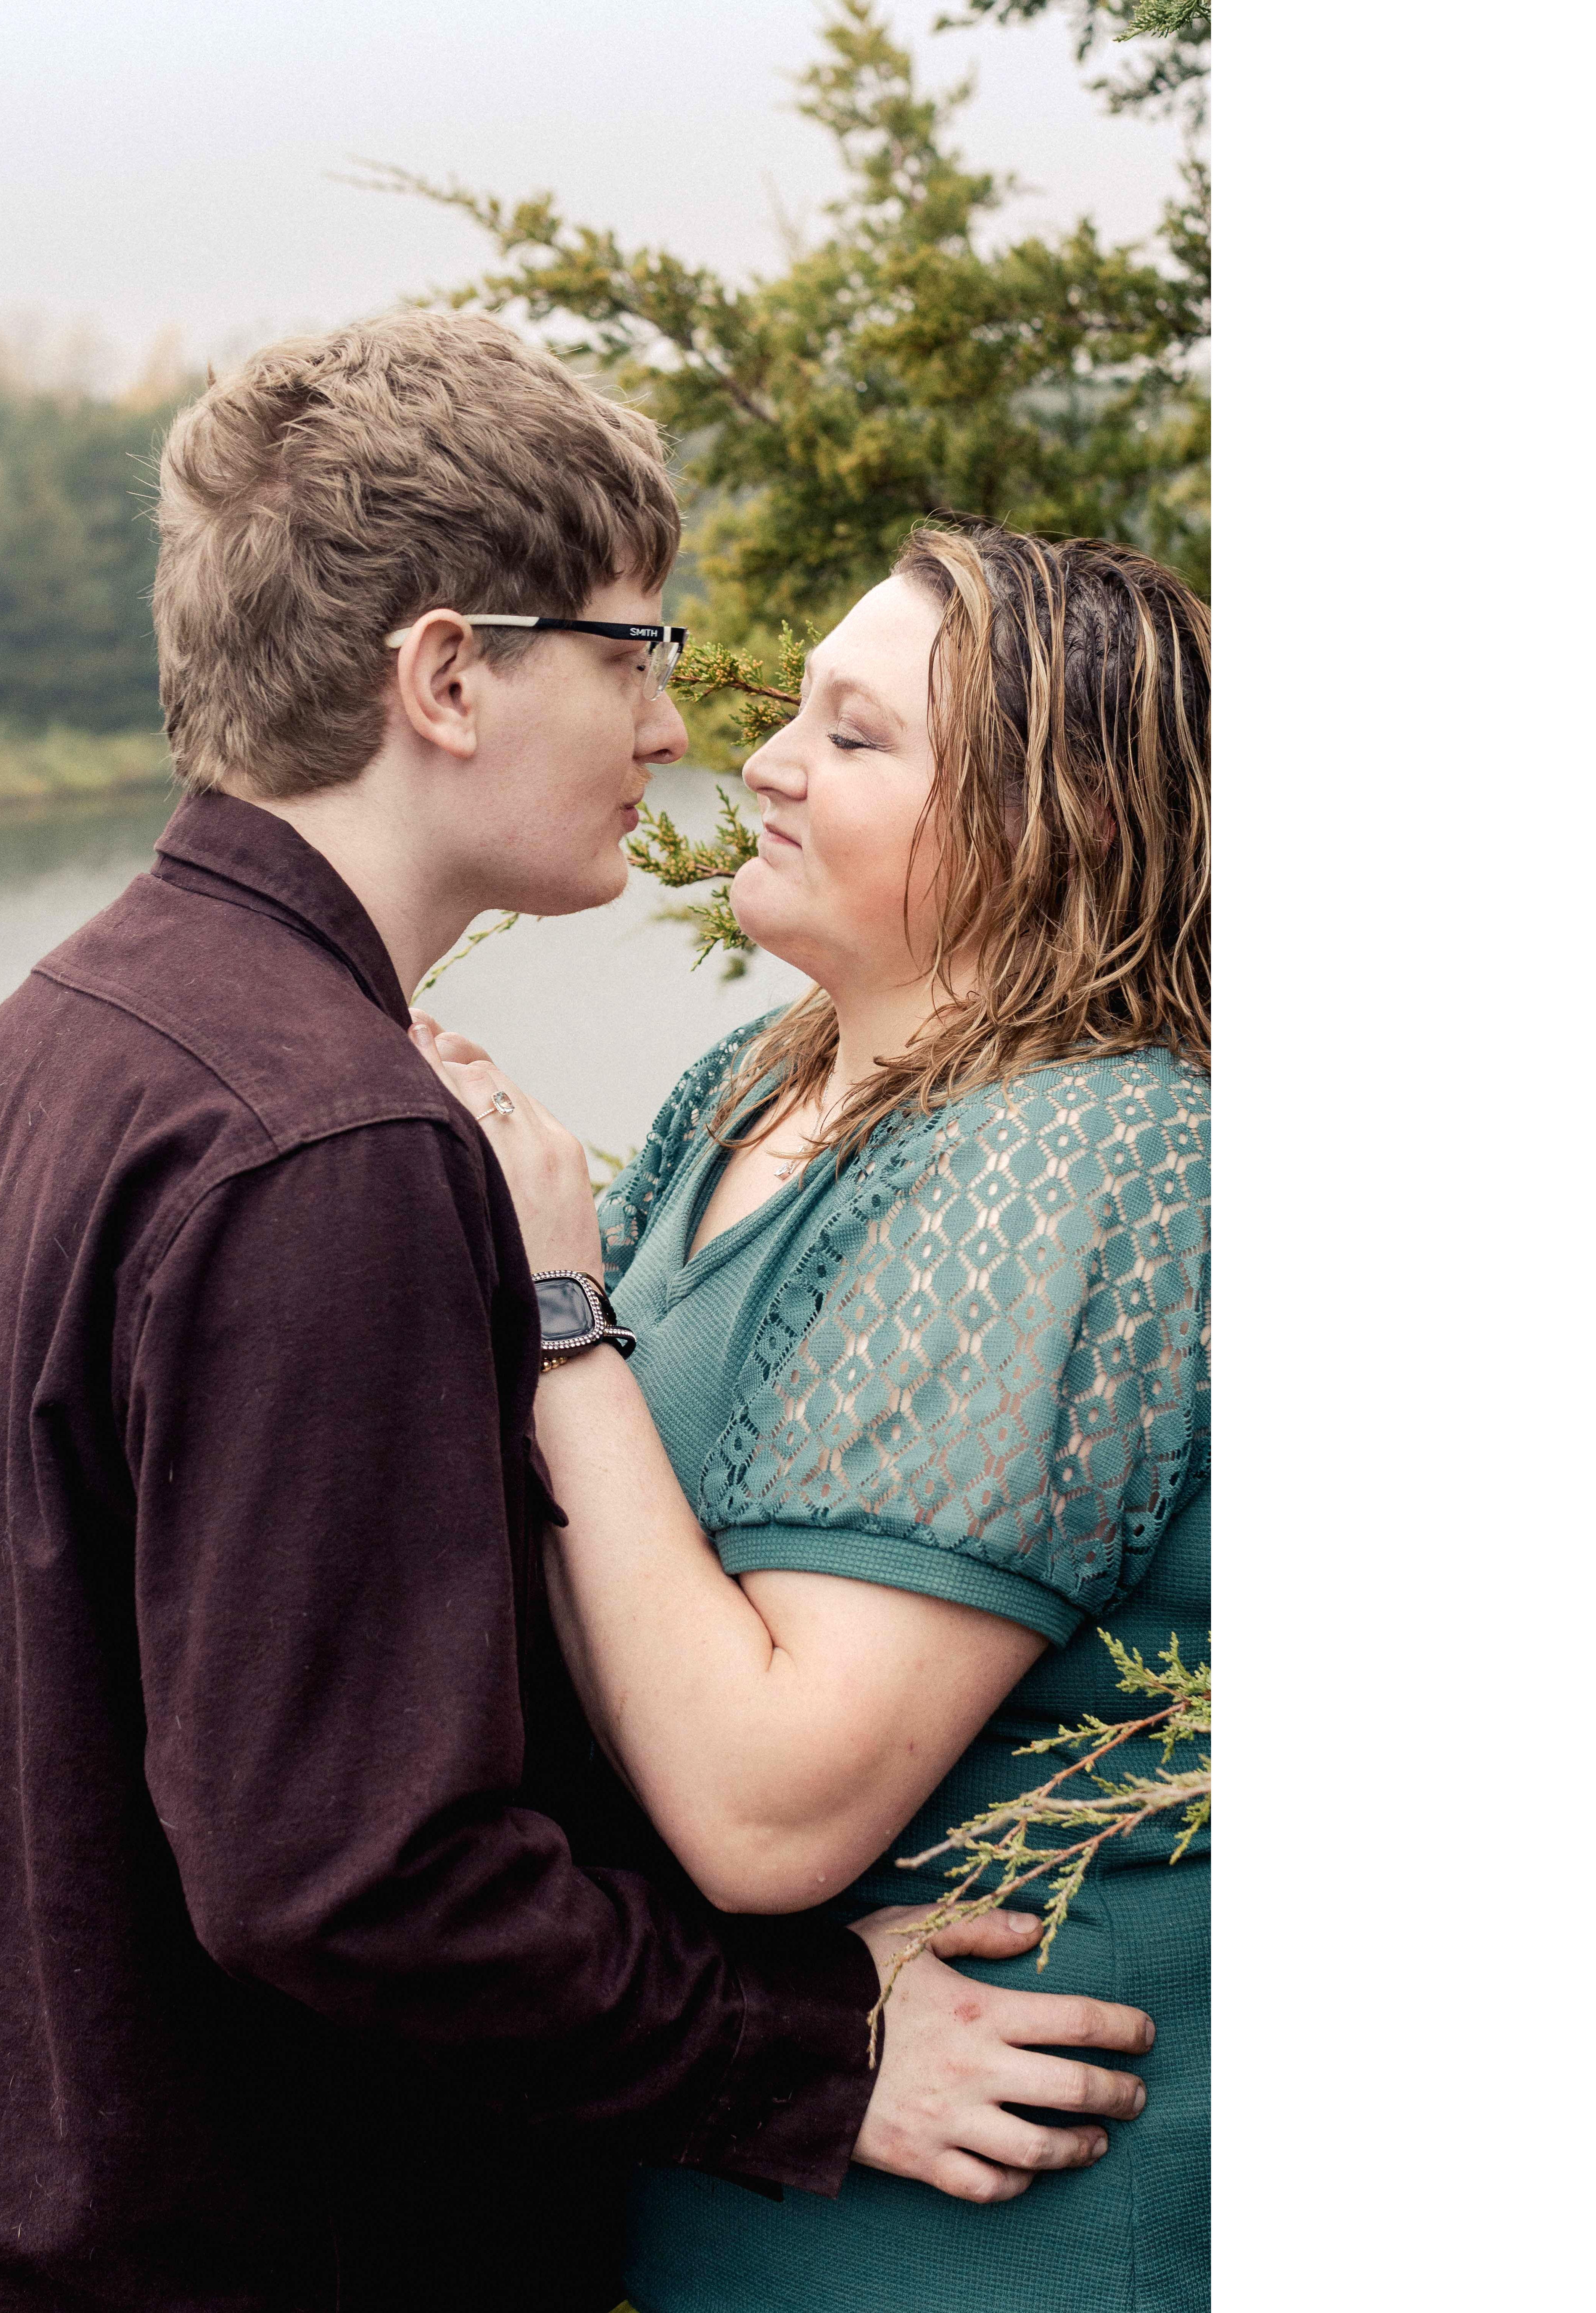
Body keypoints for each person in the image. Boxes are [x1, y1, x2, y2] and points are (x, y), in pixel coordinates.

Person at [0, 316, 1161, 2313]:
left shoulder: (80, 1027)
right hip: (219, 2261)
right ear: (449, 675)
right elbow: (352, 1875)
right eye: (630, 654)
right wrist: (805, 2044)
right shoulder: (327, 1144)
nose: (678, 730)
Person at [415, 518, 1210, 2311]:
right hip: (759, 2182)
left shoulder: (1091, 1150)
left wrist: (552, 1308)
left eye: (856, 739)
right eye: (796, 713)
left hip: (997, 2231)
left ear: (1059, 821)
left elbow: (767, 1807)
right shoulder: (760, 1077)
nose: (761, 762)